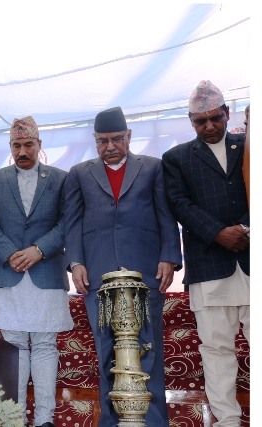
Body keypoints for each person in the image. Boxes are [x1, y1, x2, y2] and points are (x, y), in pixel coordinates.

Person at [64, 106, 182, 427]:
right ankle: (112, 423)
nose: (110, 146)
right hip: (98, 278)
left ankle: (154, 423)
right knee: (106, 352)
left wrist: (169, 257)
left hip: (146, 274)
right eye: (102, 141)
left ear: (129, 136)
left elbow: (165, 215)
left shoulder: (152, 167)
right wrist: (75, 262)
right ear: (95, 141)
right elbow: (72, 223)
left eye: (117, 138)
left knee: (148, 350)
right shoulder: (79, 173)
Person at [162, 81, 249, 427]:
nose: (210, 126)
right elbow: (179, 204)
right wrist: (218, 233)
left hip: (251, 259)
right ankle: (227, 421)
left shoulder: (249, 145)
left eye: (215, 118)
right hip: (209, 265)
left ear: (227, 113)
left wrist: (245, 228)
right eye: (201, 121)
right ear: (191, 121)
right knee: (216, 351)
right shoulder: (177, 158)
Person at [0, 116, 73, 427]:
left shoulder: (60, 178)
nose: (22, 151)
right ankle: (14, 419)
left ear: (39, 145)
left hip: (46, 272)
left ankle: (45, 419)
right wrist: (10, 254)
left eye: (28, 144)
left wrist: (39, 249)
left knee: (45, 345)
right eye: (16, 145)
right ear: (10, 146)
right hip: (8, 274)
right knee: (14, 346)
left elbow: (67, 222)